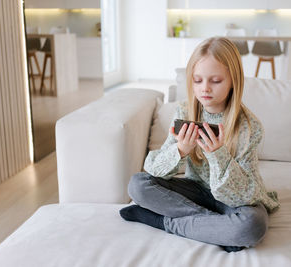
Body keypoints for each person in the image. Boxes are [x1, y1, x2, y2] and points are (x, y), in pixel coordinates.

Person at [119, 36, 280, 253]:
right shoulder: (185, 112)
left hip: (232, 200)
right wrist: (180, 150)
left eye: (215, 81)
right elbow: (154, 169)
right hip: (196, 191)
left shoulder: (249, 127)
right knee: (137, 185)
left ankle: (163, 222)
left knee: (252, 225)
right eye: (197, 80)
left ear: (234, 80)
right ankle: (215, 229)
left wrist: (218, 154)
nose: (205, 88)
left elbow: (247, 193)